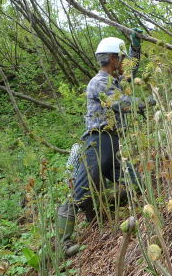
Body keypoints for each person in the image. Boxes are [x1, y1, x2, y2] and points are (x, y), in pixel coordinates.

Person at [56, 29, 152, 255]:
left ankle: (106, 205)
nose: (124, 63)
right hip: (98, 142)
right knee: (80, 191)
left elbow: (130, 71)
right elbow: (121, 103)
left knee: (136, 183)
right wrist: (145, 102)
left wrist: (135, 48)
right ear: (112, 59)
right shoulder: (99, 82)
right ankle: (62, 243)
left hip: (112, 143)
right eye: (121, 58)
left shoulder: (114, 79)